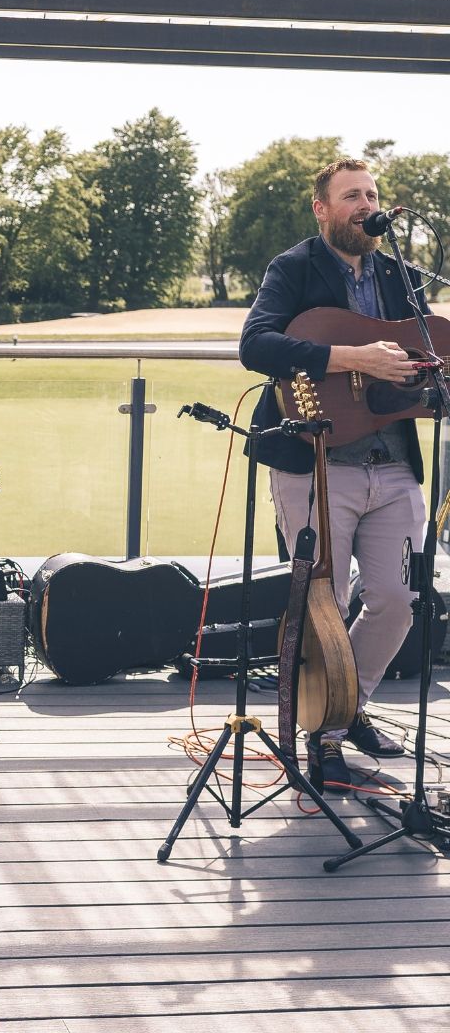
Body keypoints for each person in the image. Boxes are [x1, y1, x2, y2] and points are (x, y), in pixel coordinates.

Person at [240, 157, 423, 788]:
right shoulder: (293, 268)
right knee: (323, 602)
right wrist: (352, 358)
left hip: (394, 463)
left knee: (397, 602)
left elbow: (430, 355)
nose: (365, 203)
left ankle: (348, 709)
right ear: (322, 209)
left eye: (372, 193)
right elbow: (256, 344)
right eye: (351, 195)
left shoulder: (403, 277)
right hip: (314, 464)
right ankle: (322, 737)